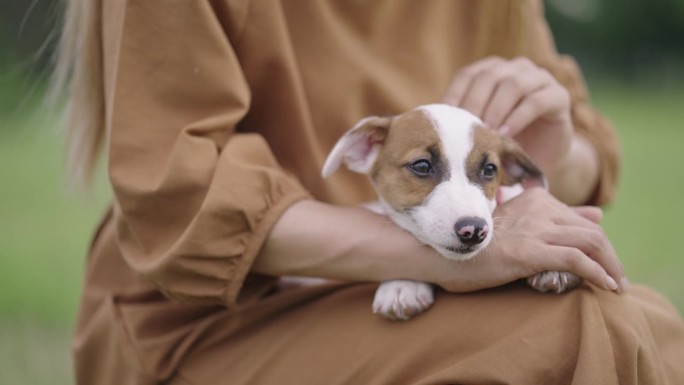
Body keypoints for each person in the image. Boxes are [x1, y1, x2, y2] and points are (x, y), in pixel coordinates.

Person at [53, 1, 684, 384]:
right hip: (214, 317)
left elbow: (579, 165)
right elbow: (183, 197)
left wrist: (552, 151)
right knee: (575, 340)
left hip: (413, 292)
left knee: (648, 329)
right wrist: (441, 256)